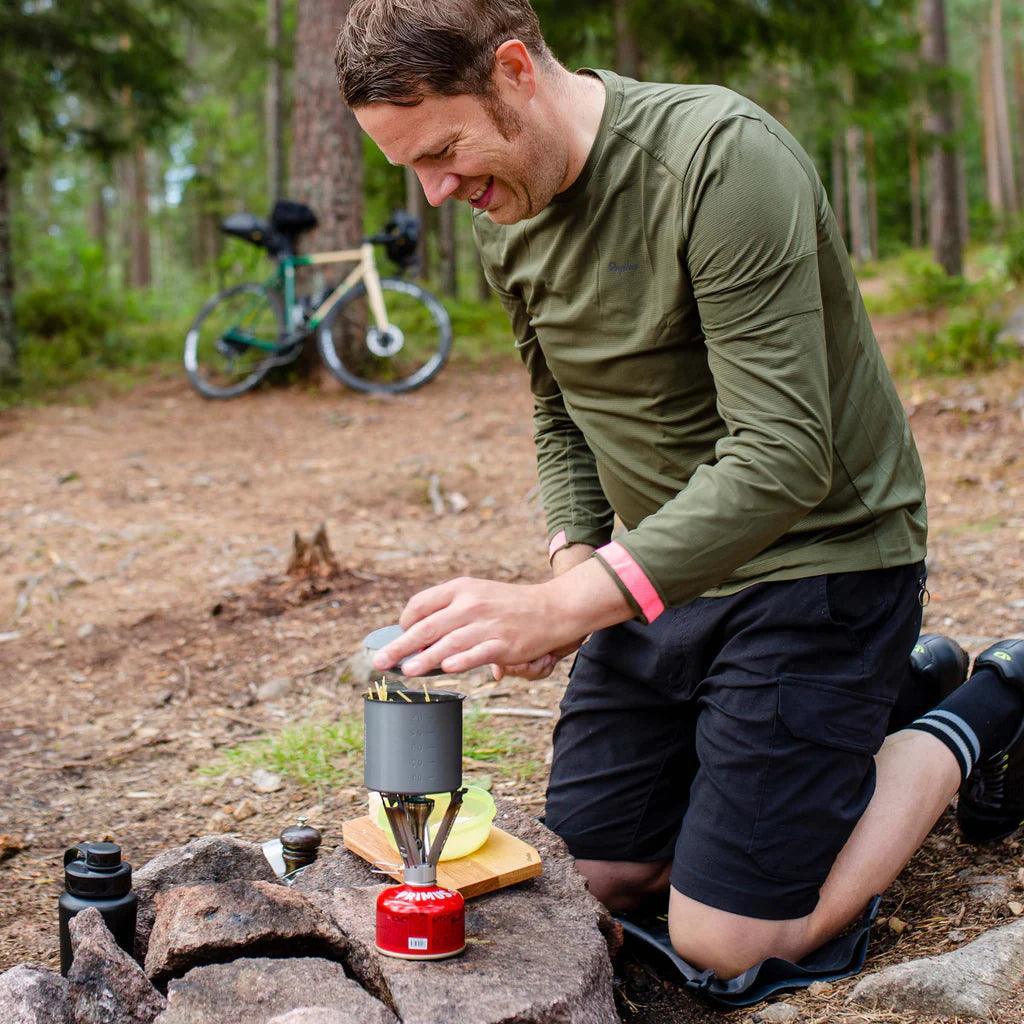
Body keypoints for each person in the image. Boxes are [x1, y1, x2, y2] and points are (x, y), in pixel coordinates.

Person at [335, 0, 1024, 979]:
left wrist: (565, 603)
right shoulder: (505, 208)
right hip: (661, 575)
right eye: (409, 167)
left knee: (721, 939)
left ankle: (988, 702)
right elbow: (560, 408)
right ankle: (898, 682)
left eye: (443, 149)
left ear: (517, 72)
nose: (438, 191)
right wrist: (573, 555)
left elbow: (785, 455)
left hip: (820, 562)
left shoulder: (718, 160)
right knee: (589, 874)